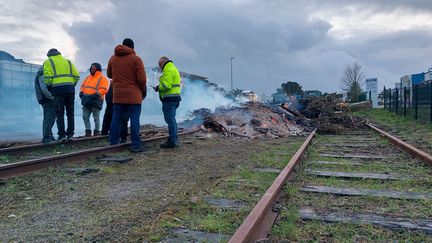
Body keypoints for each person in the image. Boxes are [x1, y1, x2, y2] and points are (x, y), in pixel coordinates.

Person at [107, 38, 147, 152]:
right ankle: (136, 145)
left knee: (116, 119)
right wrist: (143, 92)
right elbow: (142, 79)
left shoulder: (113, 58)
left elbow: (109, 74)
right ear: (132, 47)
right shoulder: (136, 59)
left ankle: (113, 143)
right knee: (134, 120)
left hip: (118, 95)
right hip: (134, 96)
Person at [43, 48, 80, 141]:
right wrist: (71, 84)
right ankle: (70, 134)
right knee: (70, 113)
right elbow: (76, 76)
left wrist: (50, 87)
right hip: (70, 90)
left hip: (57, 91)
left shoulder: (48, 62)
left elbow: (47, 78)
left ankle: (62, 135)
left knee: (60, 113)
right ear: (59, 54)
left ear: (49, 55)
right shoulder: (68, 62)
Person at [153, 56, 181, 148]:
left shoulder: (168, 70)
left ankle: (172, 141)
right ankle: (173, 139)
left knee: (170, 120)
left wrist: (158, 87)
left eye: (159, 65)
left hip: (169, 99)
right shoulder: (174, 69)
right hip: (175, 98)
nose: (160, 68)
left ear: (162, 63)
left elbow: (166, 86)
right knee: (172, 120)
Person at [79, 63, 109, 136]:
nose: (92, 69)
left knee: (96, 117)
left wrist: (97, 94)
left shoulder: (103, 78)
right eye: (91, 68)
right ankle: (88, 132)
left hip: (96, 100)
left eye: (94, 68)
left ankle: (96, 133)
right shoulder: (88, 77)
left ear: (98, 69)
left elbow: (104, 89)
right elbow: (83, 85)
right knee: (85, 116)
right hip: (86, 99)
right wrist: (81, 92)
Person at [34, 67, 56, 143]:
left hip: (46, 99)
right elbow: (44, 89)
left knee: (51, 118)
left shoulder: (43, 72)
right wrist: (52, 97)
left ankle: (49, 135)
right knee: (49, 118)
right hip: (47, 99)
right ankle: (47, 138)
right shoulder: (43, 72)